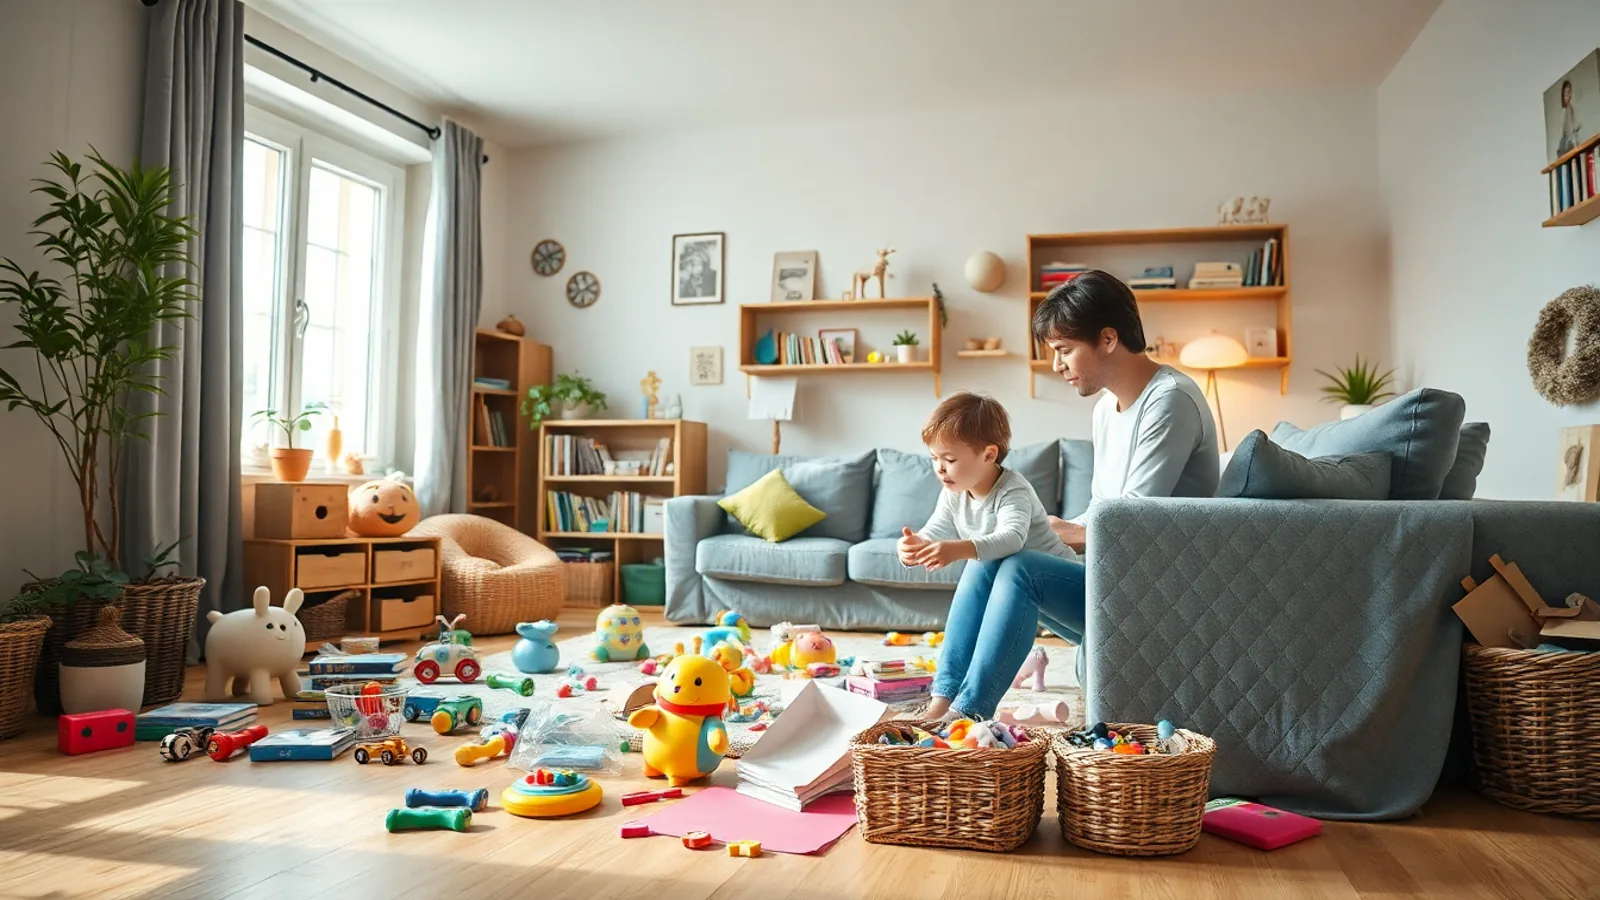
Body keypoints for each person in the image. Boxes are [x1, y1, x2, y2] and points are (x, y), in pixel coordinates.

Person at [925, 269, 1219, 720]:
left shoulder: (1170, 400)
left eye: (1064, 350)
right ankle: (942, 701)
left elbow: (1135, 524)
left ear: (1106, 338)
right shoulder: (1106, 409)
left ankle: (967, 716)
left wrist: (1056, 530)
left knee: (1021, 564)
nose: (1057, 365)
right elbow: (1106, 507)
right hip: (1116, 577)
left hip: (1160, 589)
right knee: (990, 557)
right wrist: (1060, 529)